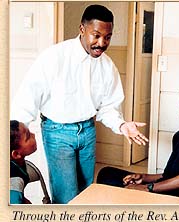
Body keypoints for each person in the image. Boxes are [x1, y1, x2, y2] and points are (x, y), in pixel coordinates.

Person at [11, 5, 148, 204]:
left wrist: (121, 125)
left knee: (86, 194)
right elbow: (27, 98)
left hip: (87, 131)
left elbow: (108, 108)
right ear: (82, 29)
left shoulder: (107, 67)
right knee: (67, 199)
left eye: (108, 37)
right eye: (96, 35)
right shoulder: (54, 57)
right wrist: (13, 141)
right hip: (57, 133)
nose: (101, 43)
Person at [97, 81, 179, 199]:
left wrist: (146, 188)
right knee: (106, 173)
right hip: (169, 187)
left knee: (109, 181)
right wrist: (143, 177)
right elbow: (168, 175)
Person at [10, 120, 37, 204]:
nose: (34, 134)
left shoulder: (15, 163)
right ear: (16, 154)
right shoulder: (14, 180)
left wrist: (23, 198)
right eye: (28, 136)